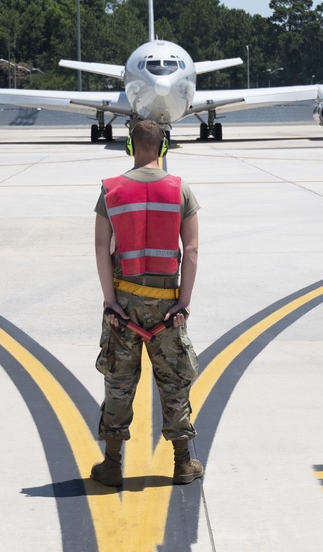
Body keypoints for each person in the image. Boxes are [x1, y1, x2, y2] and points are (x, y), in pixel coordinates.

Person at [91, 119, 203, 487]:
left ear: (129, 146)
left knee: (119, 384)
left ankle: (111, 464)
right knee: (174, 383)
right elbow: (192, 249)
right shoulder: (180, 188)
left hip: (123, 305)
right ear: (164, 147)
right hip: (167, 307)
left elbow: (100, 248)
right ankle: (183, 463)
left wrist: (110, 302)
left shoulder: (111, 190)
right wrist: (183, 303)